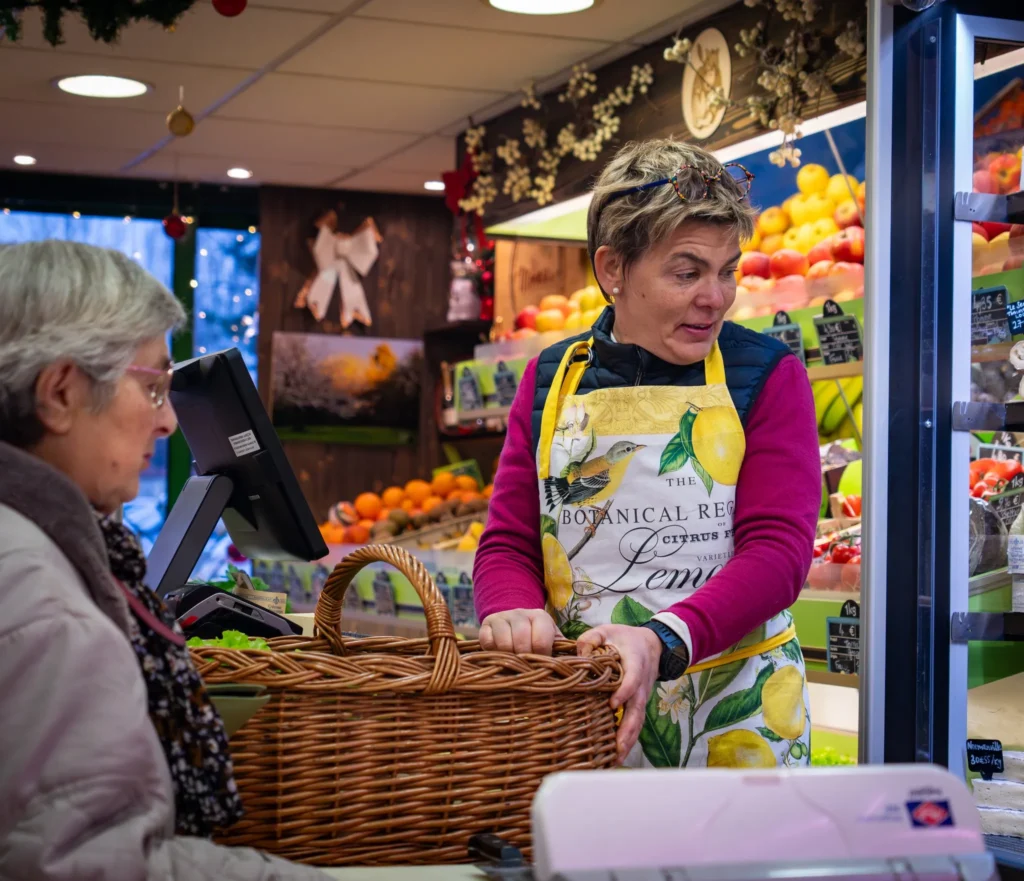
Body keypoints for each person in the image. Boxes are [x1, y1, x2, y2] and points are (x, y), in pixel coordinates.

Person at [473, 140, 820, 770]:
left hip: (736, 720)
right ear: (613, 270)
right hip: (582, 714)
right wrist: (512, 610)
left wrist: (663, 639)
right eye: (687, 273)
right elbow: (507, 545)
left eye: (727, 271)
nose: (715, 297)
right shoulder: (551, 380)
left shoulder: (768, 375)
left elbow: (778, 553)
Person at [0, 240, 326, 879]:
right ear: (60, 392)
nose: (170, 422)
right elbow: (97, 866)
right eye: (153, 388)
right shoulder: (44, 607)